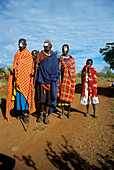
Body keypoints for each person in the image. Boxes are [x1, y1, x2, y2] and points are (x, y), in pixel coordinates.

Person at [6, 38, 36, 123]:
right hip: (17, 80)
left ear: (25, 45)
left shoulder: (28, 55)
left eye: (22, 44)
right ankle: (19, 112)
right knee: (18, 97)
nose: (20, 45)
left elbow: (29, 68)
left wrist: (18, 69)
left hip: (25, 81)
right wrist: (13, 70)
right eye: (19, 44)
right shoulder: (16, 54)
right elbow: (14, 65)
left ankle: (25, 114)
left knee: (25, 97)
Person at [36, 40, 60, 124]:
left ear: (51, 46)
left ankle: (46, 115)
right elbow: (37, 64)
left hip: (51, 82)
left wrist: (54, 77)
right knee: (42, 100)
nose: (46, 47)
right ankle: (41, 114)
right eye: (44, 45)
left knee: (48, 101)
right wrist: (36, 66)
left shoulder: (54, 56)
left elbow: (57, 69)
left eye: (48, 45)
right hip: (42, 81)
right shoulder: (41, 55)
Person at [57, 44, 76, 118]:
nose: (65, 51)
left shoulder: (71, 60)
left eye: (66, 49)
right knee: (62, 97)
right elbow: (57, 69)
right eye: (63, 49)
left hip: (69, 81)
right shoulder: (60, 59)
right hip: (62, 80)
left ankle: (68, 112)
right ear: (62, 50)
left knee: (69, 97)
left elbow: (73, 71)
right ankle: (62, 112)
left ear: (68, 50)